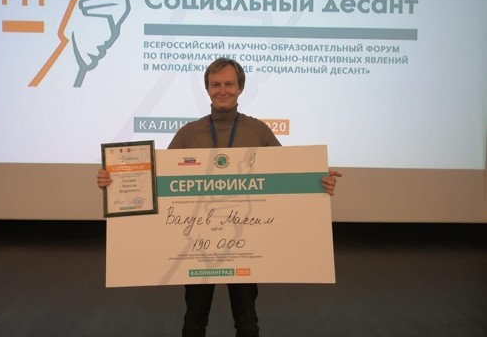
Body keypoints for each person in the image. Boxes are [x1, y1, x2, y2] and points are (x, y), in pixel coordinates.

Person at [97, 57, 342, 337]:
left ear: (240, 88)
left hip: (246, 242)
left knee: (247, 322)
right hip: (197, 244)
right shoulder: (188, 134)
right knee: (194, 321)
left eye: (229, 84)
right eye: (215, 85)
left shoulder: (259, 131)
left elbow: (287, 176)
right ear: (207, 89)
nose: (222, 90)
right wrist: (114, 182)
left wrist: (316, 179)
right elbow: (155, 183)